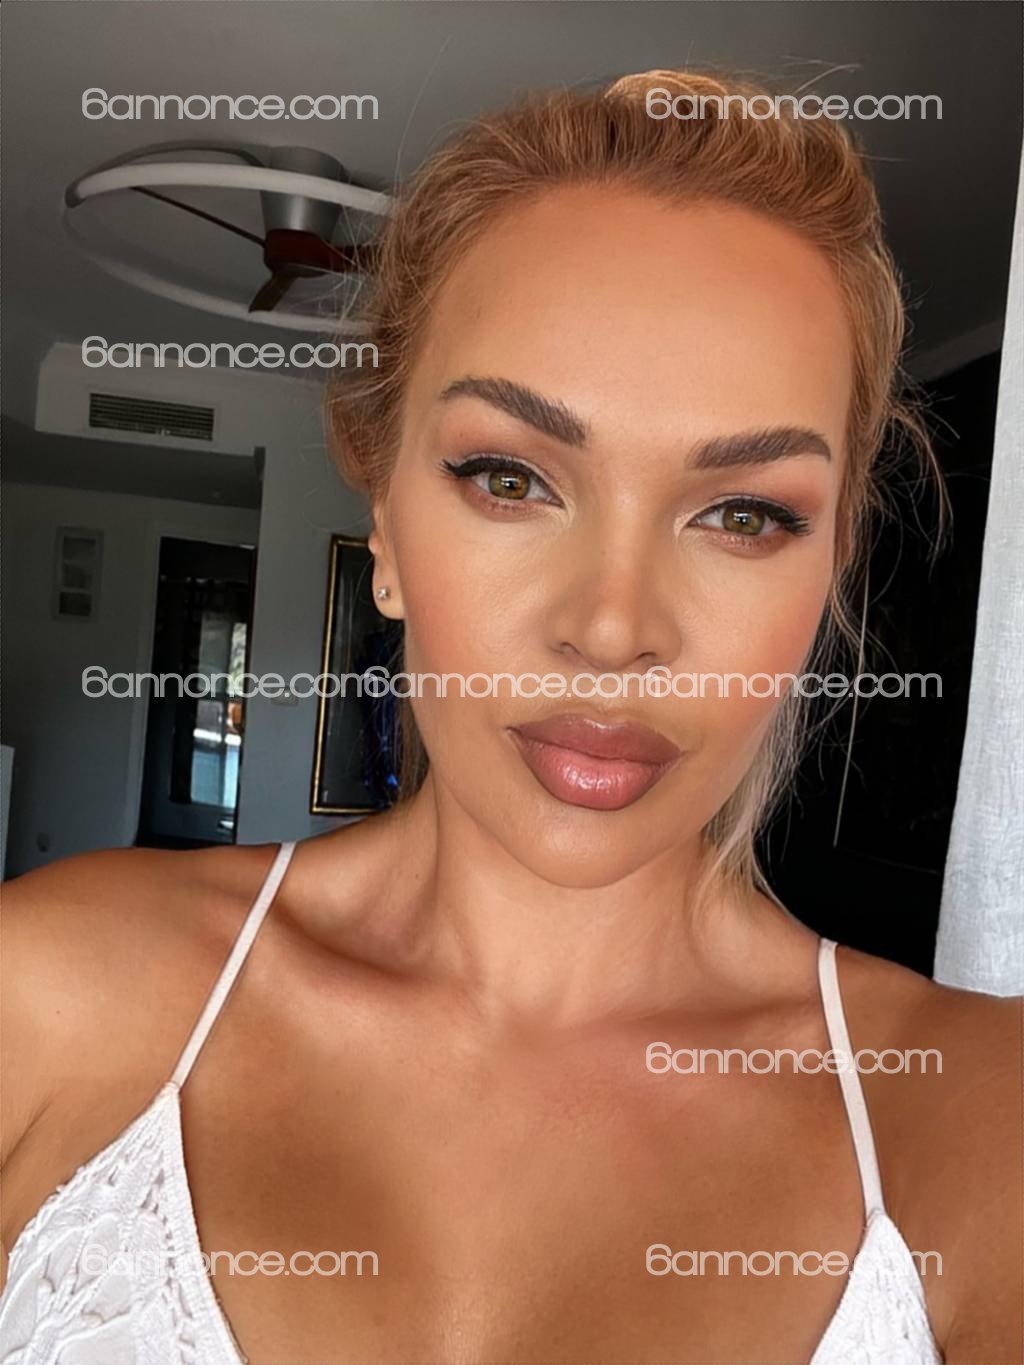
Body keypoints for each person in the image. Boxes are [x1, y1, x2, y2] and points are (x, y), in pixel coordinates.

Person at [1, 69, 1019, 1365]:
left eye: (744, 513)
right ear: (383, 523)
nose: (613, 626)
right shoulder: (47, 991)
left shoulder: (978, 1121)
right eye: (511, 477)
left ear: (830, 568)